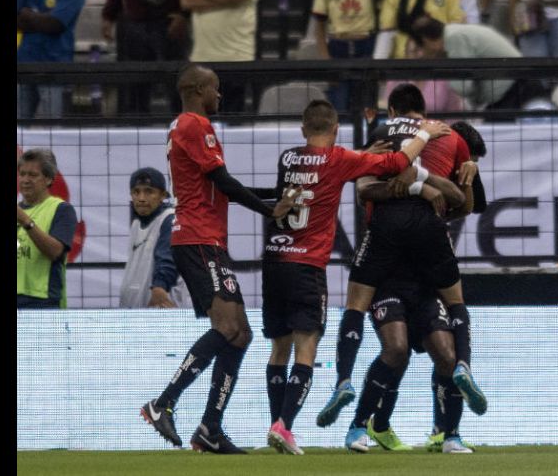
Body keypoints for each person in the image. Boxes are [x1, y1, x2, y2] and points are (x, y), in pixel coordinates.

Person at [262, 99, 453, 455]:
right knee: (306, 347)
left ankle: (276, 425)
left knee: (278, 348)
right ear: (335, 130)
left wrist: (360, 153)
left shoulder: (288, 158)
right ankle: (284, 426)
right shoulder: (340, 160)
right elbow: (397, 162)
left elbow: (317, 171)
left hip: (273, 262)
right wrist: (424, 133)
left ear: (303, 130)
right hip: (307, 267)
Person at [139, 64, 298, 454]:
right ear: (197, 89)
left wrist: (269, 199)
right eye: (216, 88)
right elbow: (223, 181)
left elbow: (219, 184)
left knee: (240, 333)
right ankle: (163, 403)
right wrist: (270, 209)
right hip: (198, 238)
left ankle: (210, 428)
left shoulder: (183, 127)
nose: (220, 96)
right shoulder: (196, 125)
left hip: (204, 237)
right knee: (229, 328)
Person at [317, 85, 488, 430]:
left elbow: (365, 188)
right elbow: (465, 205)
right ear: (423, 113)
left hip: (388, 245)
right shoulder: (449, 137)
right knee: (442, 336)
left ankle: (347, 389)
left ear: (392, 111)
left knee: (385, 338)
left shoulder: (381, 134)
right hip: (427, 244)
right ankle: (457, 387)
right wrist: (433, 183)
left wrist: (413, 181)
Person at [409, 15, 548, 120]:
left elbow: (463, 85)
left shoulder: (454, 38)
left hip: (517, 89)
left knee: (497, 140)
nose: (422, 54)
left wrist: (442, 71)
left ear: (426, 40)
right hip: (513, 89)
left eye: (421, 47)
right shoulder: (456, 32)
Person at [102, 0, 190, 114]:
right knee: (134, 83)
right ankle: (134, 126)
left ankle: (184, 125)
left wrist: (184, 15)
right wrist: (109, 16)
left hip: (170, 21)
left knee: (177, 80)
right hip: (135, 22)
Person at [119, 167, 190, 308]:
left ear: (163, 195)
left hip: (160, 310)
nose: (141, 198)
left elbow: (167, 259)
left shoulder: (169, 220)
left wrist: (160, 286)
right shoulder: (137, 223)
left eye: (149, 191)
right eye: (136, 192)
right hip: (138, 312)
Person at [179, 0, 260, 113]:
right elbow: (187, 2)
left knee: (234, 117)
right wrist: (228, 1)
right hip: (202, 56)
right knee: (202, 117)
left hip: (237, 55)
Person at [17, 149, 78, 309]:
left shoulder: (62, 210)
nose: (25, 180)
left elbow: (54, 252)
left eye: (33, 175)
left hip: (43, 300)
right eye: (22, 174)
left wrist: (25, 221)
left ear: (49, 179)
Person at [17, 0, 86, 119]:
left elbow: (55, 24)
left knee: (53, 128)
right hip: (24, 65)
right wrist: (42, 18)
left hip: (55, 68)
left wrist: (27, 15)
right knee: (19, 127)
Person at [312, 0, 382, 112]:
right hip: (338, 50)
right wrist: (327, 62)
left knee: (367, 111)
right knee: (339, 108)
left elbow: (383, 20)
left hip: (366, 47)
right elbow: (319, 26)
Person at [373, 0, 466, 60]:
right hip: (402, 61)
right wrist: (378, 63)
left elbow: (456, 26)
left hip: (437, 60)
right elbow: (387, 31)